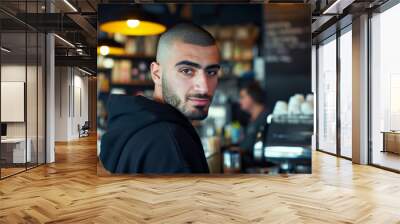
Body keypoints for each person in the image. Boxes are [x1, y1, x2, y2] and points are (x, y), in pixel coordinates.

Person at [100, 23, 221, 174]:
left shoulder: (135, 123)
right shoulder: (170, 143)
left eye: (211, 72)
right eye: (187, 71)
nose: (204, 88)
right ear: (156, 74)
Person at [238, 81, 269, 155]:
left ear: (253, 96)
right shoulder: (252, 118)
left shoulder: (266, 118)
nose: (240, 101)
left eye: (242, 97)